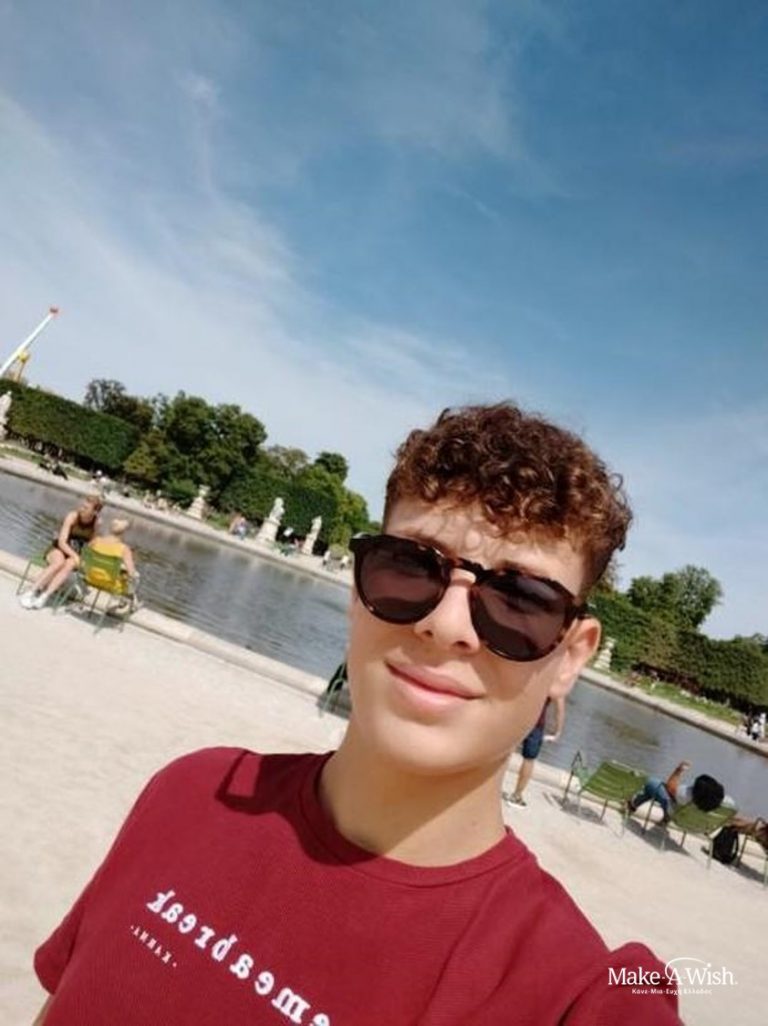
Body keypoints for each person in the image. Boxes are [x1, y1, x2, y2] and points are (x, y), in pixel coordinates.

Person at [32, 403, 681, 1024]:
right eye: (410, 568)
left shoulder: (574, 996)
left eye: (520, 601)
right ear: (357, 586)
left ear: (570, 657)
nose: (446, 624)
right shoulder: (191, 794)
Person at [19, 494, 103, 610]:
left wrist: (88, 554)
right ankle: (31, 591)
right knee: (59, 562)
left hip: (75, 553)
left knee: (69, 565)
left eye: (86, 508)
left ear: (94, 512)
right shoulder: (73, 517)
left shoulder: (96, 523)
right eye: (82, 506)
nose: (82, 509)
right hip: (59, 548)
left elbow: (92, 542)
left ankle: (44, 596)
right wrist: (75, 555)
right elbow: (61, 542)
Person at [503, 694, 566, 807]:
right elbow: (560, 708)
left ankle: (491, 786)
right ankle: (517, 795)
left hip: (519, 716)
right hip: (536, 723)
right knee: (529, 759)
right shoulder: (554, 684)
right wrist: (558, 731)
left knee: (507, 752)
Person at [626, 760, 730, 823]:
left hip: (672, 810)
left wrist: (679, 770)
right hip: (685, 820)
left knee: (652, 783)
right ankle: (633, 804)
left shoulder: (686, 795)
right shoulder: (709, 803)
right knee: (657, 788)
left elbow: (669, 786)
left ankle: (633, 804)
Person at [87, 517, 140, 610]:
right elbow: (131, 573)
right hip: (110, 584)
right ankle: (129, 601)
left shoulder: (96, 541)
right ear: (123, 533)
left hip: (90, 577)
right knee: (136, 576)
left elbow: (86, 557)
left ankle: (127, 600)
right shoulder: (123, 549)